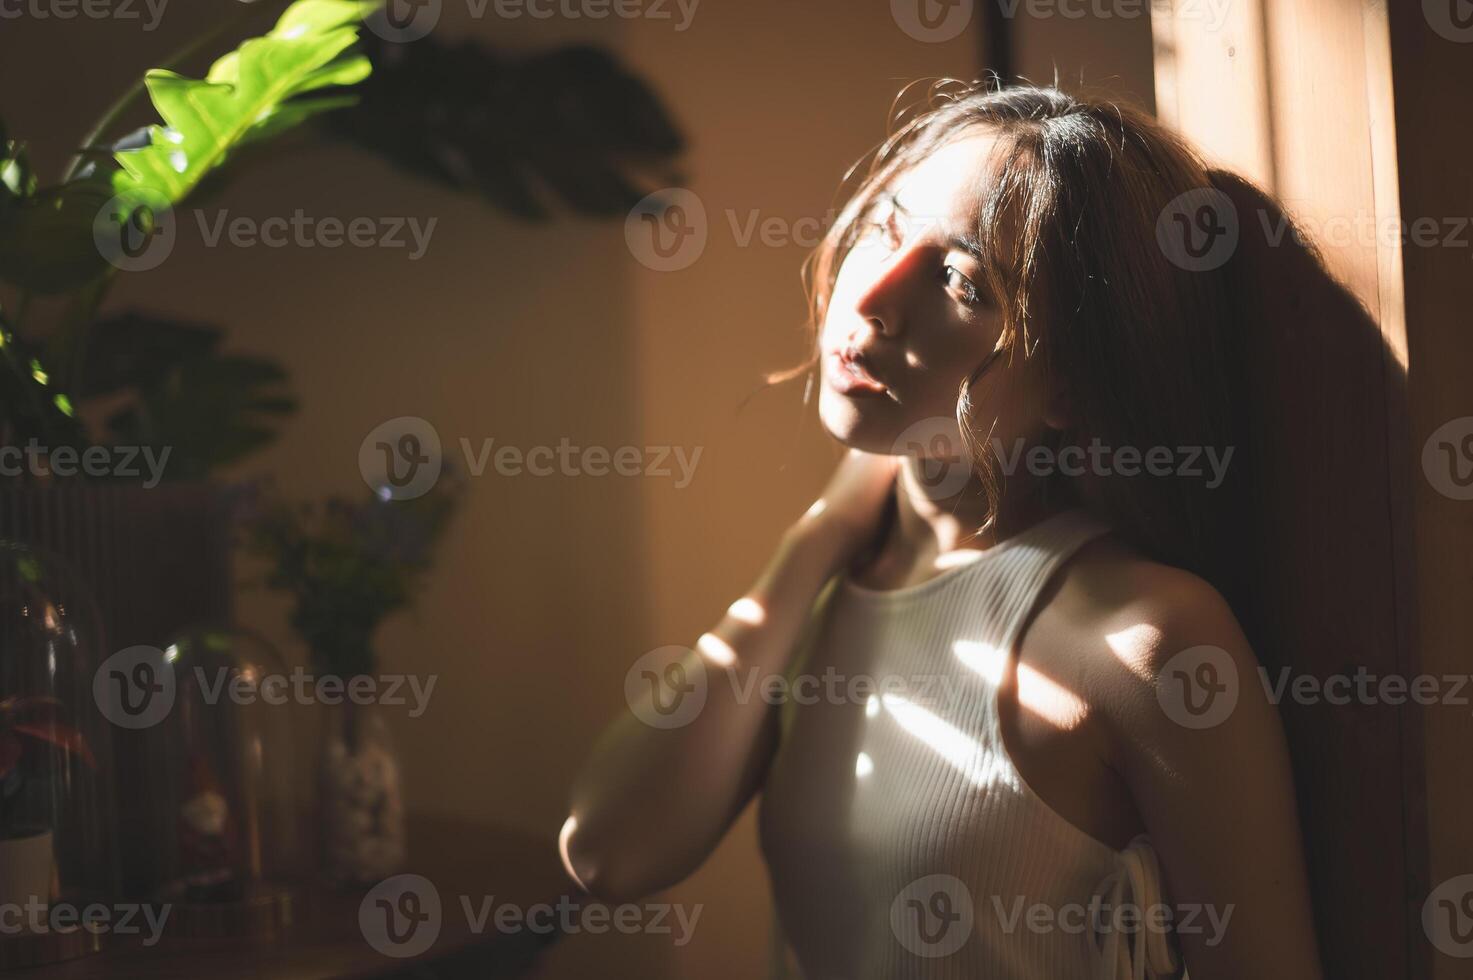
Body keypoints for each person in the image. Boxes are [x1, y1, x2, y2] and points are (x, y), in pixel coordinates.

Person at [560, 81, 1324, 979]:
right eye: (885, 226)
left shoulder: (1144, 638)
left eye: (961, 281)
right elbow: (607, 854)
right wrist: (815, 540)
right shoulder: (849, 575)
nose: (872, 297)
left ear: (1078, 385)